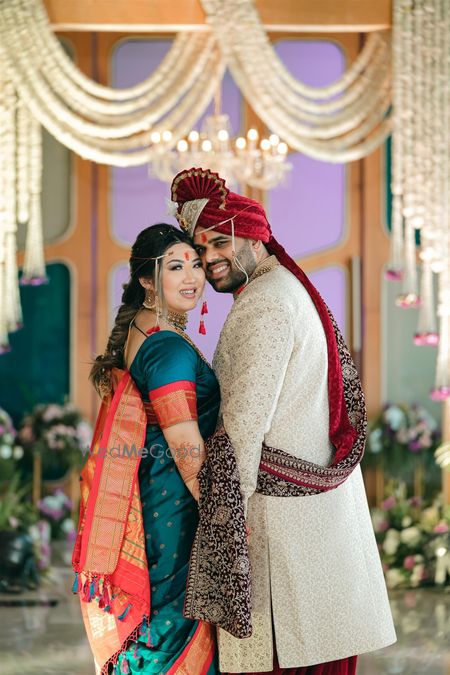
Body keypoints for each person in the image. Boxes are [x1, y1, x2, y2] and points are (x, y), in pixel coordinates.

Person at [169, 168, 397, 675]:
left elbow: (241, 434)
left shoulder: (264, 305)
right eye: (200, 249)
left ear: (256, 237)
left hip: (286, 547)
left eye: (220, 241)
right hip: (313, 537)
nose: (209, 258)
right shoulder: (286, 290)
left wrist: (225, 527)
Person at [72, 224, 220, 675]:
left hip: (155, 493)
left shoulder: (142, 327)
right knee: (171, 625)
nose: (192, 276)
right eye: (175, 267)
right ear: (147, 280)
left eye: (195, 264)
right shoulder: (167, 348)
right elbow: (186, 447)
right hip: (175, 506)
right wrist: (222, 516)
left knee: (157, 626)